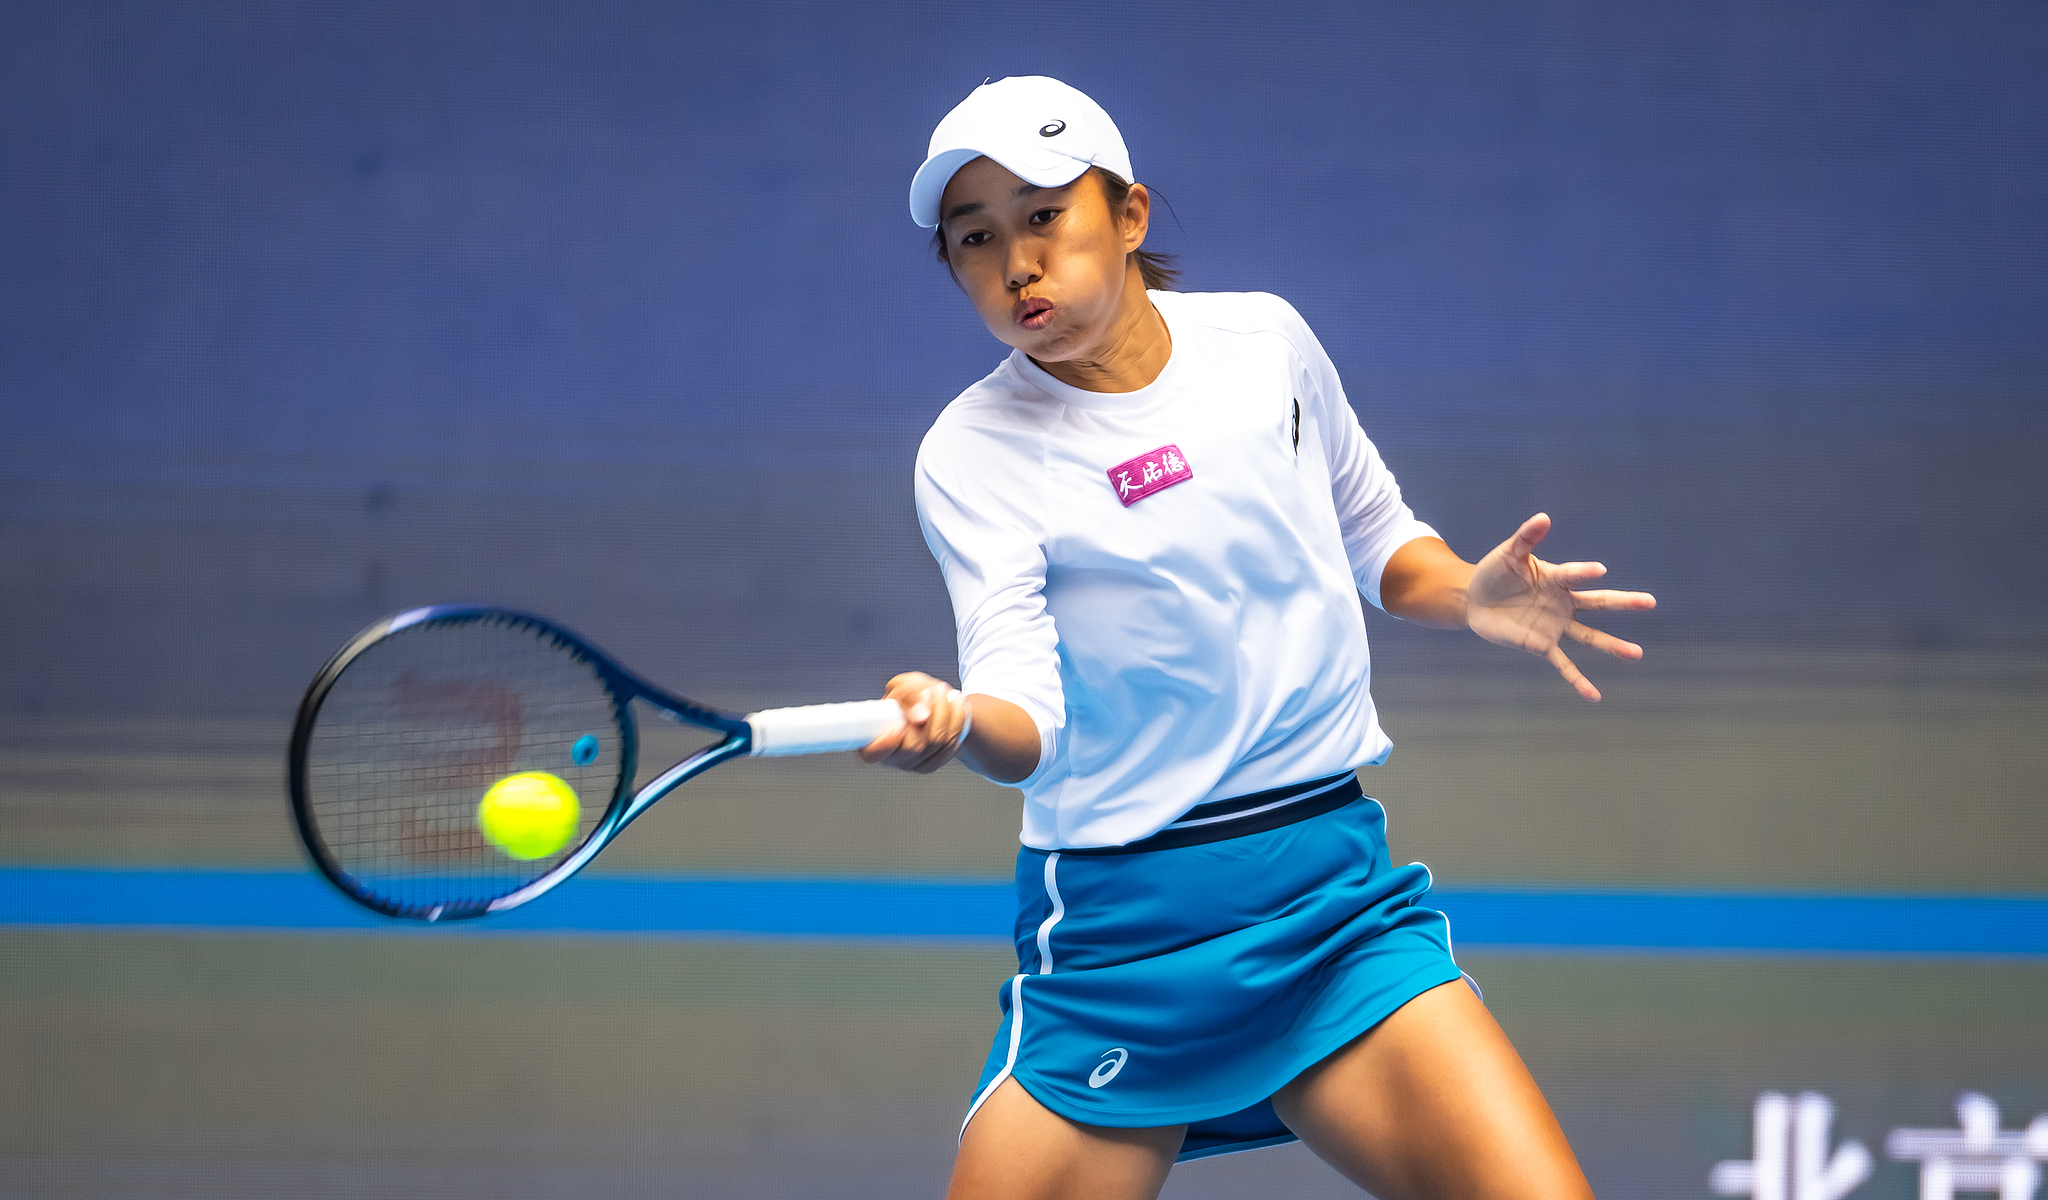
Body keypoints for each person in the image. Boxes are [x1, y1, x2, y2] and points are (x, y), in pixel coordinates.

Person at [858, 76, 1654, 1200]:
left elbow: (1379, 540)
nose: (1016, 264)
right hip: (1122, 947)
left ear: (1128, 215)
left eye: (1044, 216)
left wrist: (1467, 593)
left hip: (1330, 915)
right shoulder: (970, 451)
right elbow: (1022, 720)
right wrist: (954, 726)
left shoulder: (1264, 344)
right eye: (974, 239)